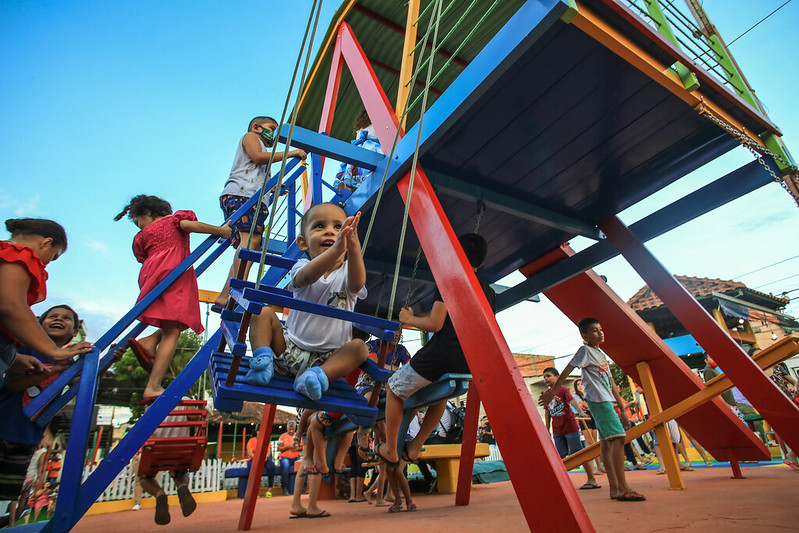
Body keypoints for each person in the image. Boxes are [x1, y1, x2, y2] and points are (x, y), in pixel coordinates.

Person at [248, 202, 368, 518]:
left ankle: (319, 378)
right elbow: (307, 278)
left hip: (325, 361)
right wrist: (339, 246)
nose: (330, 231)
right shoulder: (300, 267)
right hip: (291, 349)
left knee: (359, 348)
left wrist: (352, 249)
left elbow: (357, 284)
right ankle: (261, 359)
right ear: (303, 243)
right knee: (262, 312)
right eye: (320, 227)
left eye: (338, 226)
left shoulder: (347, 275)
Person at [375, 234, 496, 474]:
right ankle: (415, 445)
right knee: (440, 396)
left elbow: (436, 323)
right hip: (470, 359)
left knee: (394, 388)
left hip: (442, 354)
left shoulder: (451, 281)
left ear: (455, 254)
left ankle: (390, 447)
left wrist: (409, 318)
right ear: (481, 263)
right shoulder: (490, 292)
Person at [114, 195, 232, 402]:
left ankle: (149, 341)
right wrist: (220, 231)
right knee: (174, 330)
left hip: (153, 275)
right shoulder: (174, 220)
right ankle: (153, 386)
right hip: (174, 272)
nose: (138, 226)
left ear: (148, 213)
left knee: (178, 322)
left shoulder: (143, 235)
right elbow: (190, 226)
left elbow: (141, 256)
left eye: (137, 221)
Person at [539, 318, 645, 501]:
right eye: (595, 330)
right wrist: (552, 392)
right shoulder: (585, 351)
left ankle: (615, 489)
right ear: (585, 336)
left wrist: (621, 410)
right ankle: (623, 487)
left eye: (601, 329)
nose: (600, 333)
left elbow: (611, 384)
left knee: (606, 442)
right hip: (598, 402)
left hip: (607, 402)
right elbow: (567, 369)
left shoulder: (601, 355)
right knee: (618, 439)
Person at [0, 304, 84, 527]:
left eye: (66, 318)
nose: (58, 319)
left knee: (7, 490)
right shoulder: (25, 349)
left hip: (27, 435)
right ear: (39, 324)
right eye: (52, 316)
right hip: (4, 423)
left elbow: (83, 384)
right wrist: (55, 369)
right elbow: (13, 385)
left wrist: (108, 361)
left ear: (74, 332)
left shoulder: (69, 361)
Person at [216, 116, 307, 307]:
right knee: (251, 241)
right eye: (271, 128)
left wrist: (273, 187)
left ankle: (227, 292)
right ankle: (235, 288)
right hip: (241, 195)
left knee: (251, 245)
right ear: (257, 127)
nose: (273, 133)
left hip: (251, 198)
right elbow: (257, 157)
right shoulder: (251, 137)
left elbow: (258, 174)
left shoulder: (264, 151)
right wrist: (291, 153)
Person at [0, 218, 92, 388]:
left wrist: (14, 357)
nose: (48, 263)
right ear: (46, 243)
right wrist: (53, 351)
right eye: (54, 256)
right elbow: (11, 305)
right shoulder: (19, 254)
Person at [541, 367, 600, 489]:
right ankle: (562, 482)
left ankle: (591, 478)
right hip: (557, 429)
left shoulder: (563, 390)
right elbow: (547, 412)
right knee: (561, 455)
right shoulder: (546, 394)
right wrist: (547, 429)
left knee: (578, 453)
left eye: (548, 376)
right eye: (544, 377)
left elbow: (573, 401)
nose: (546, 379)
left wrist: (580, 412)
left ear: (557, 377)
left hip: (570, 427)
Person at [333, 111, 383, 193]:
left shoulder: (360, 128)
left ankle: (349, 184)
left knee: (355, 165)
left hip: (362, 149)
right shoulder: (377, 124)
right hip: (368, 148)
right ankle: (352, 185)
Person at [573, 379, 605, 474]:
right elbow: (584, 406)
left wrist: (587, 404)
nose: (580, 386)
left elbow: (591, 405)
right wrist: (586, 405)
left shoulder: (590, 394)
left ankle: (599, 466)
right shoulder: (576, 396)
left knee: (595, 442)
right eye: (578, 384)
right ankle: (592, 469)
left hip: (593, 416)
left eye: (582, 384)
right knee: (589, 442)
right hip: (584, 418)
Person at [245, 429, 276, 496]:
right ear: (257, 432)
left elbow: (268, 451)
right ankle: (255, 490)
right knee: (254, 468)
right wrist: (257, 458)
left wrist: (266, 457)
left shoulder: (266, 440)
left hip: (264, 459)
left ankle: (270, 488)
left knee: (271, 466)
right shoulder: (252, 440)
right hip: (254, 459)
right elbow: (250, 452)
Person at [277, 421, 300, 496]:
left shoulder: (298, 436)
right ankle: (285, 488)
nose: (291, 431)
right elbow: (278, 448)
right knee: (285, 467)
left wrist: (297, 448)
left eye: (293, 429)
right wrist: (288, 447)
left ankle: (302, 488)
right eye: (290, 429)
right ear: (287, 428)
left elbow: (303, 447)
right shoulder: (282, 436)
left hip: (296, 456)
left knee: (302, 465)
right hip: (285, 457)